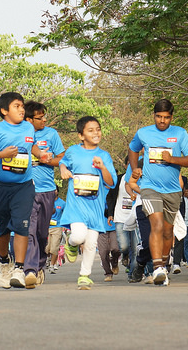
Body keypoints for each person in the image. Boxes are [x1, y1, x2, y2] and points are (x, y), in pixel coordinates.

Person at [0, 92, 52, 289]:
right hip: (0, 187)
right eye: (17, 106)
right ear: (4, 110)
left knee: (21, 225)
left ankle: (20, 268)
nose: (21, 109)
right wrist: (0, 154)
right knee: (2, 228)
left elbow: (31, 145)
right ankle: (3, 262)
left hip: (25, 186)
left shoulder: (28, 127)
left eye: (22, 106)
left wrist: (41, 155)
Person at [127, 99, 188, 286]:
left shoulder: (180, 133)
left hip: (173, 190)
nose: (162, 121)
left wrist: (172, 159)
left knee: (168, 232)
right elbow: (133, 149)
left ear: (171, 117)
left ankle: (163, 268)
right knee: (156, 225)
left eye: (166, 117)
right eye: (158, 117)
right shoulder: (143, 133)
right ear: (154, 116)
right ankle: (157, 267)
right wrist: (135, 168)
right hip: (150, 187)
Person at [59, 116, 117, 290]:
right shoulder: (73, 151)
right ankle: (70, 243)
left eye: (98, 129)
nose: (96, 133)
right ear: (81, 135)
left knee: (91, 243)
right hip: (77, 205)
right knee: (78, 236)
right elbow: (63, 163)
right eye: (90, 130)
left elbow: (111, 182)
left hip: (96, 207)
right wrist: (63, 170)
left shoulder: (104, 156)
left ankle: (84, 276)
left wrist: (102, 168)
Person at [23, 101, 65, 288]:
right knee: (29, 231)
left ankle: (40, 266)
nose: (45, 120)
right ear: (28, 119)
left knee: (41, 233)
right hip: (25, 189)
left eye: (44, 117)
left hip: (48, 190)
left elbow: (62, 158)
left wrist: (47, 160)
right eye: (40, 118)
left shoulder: (51, 134)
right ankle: (29, 270)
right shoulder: (21, 133)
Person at [106, 157, 138, 278]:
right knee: (124, 246)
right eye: (129, 164)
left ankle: (132, 274)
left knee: (135, 249)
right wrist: (110, 213)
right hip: (120, 217)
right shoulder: (119, 180)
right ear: (125, 166)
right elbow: (110, 197)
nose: (131, 166)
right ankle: (125, 255)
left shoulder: (141, 179)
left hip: (135, 218)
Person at [47, 192, 65, 274]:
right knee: (46, 248)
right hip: (46, 227)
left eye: (55, 190)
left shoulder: (62, 203)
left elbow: (66, 214)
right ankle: (47, 260)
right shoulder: (46, 200)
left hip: (57, 227)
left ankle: (52, 265)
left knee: (54, 247)